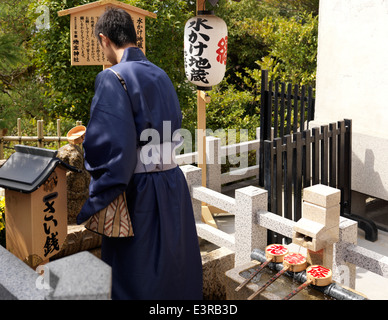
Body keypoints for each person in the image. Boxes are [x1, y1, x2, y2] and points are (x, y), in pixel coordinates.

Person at [76, 7, 203, 300]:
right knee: (174, 270)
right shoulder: (161, 75)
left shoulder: (113, 78)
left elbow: (111, 151)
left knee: (135, 276)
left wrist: (92, 199)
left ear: (104, 39)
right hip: (172, 183)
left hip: (138, 193)